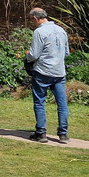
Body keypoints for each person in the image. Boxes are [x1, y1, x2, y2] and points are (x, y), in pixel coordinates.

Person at [25, 7, 69, 143]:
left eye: (32, 20)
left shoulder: (39, 32)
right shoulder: (61, 30)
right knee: (62, 104)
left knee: (39, 102)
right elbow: (66, 53)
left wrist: (27, 56)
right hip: (59, 72)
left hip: (42, 72)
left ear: (35, 18)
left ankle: (41, 133)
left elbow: (34, 55)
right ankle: (63, 135)